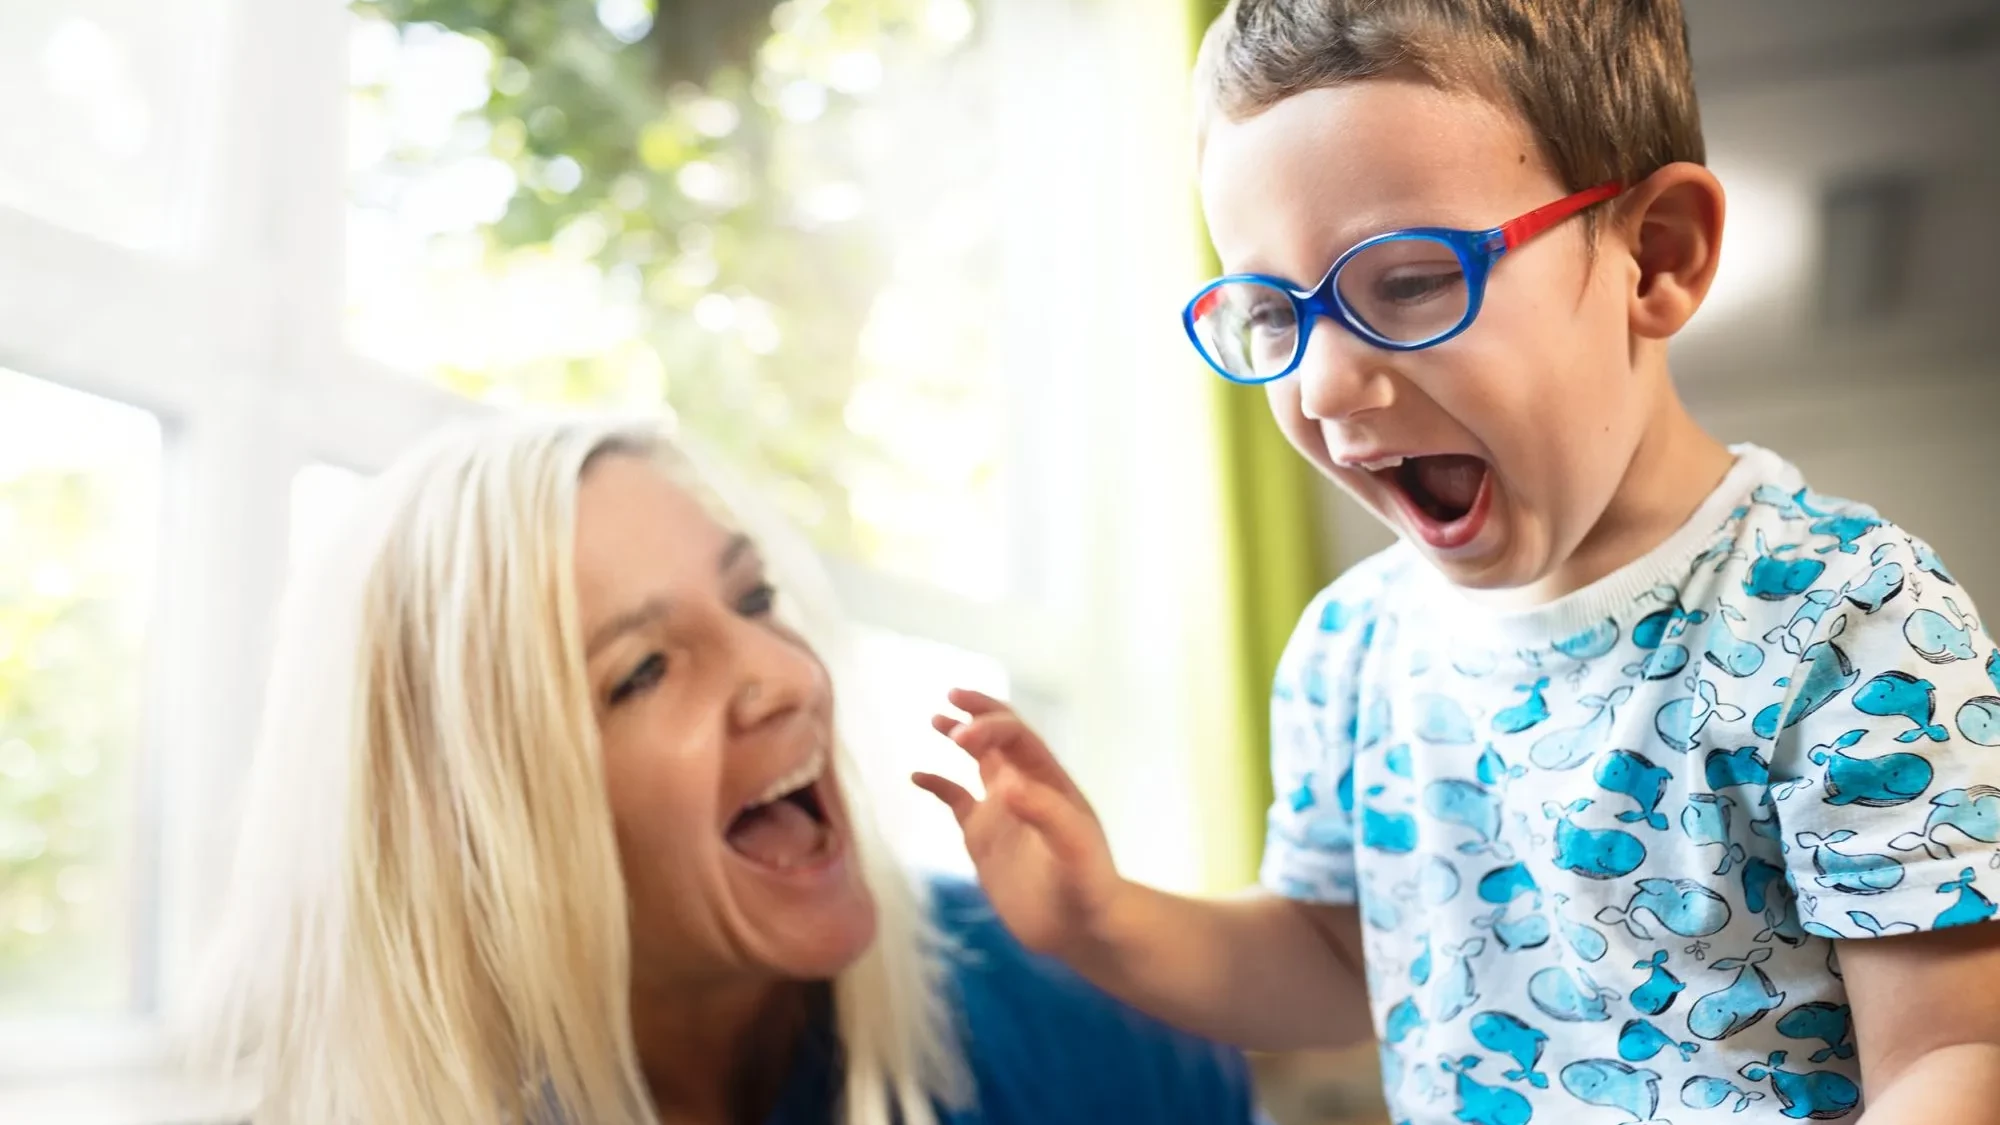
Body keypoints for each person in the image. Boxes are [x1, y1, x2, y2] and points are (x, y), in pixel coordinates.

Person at [913, 2, 2000, 1121]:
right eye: (1272, 313)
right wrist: (1102, 919)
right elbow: (1333, 964)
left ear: (1655, 257)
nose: (1325, 388)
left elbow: (1950, 1057)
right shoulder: (1348, 650)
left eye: (1410, 280)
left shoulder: (1846, 614)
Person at [196, 416, 1259, 1125]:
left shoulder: (1079, 1012)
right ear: (478, 820)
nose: (782, 678)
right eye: (645, 669)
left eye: (752, 602)